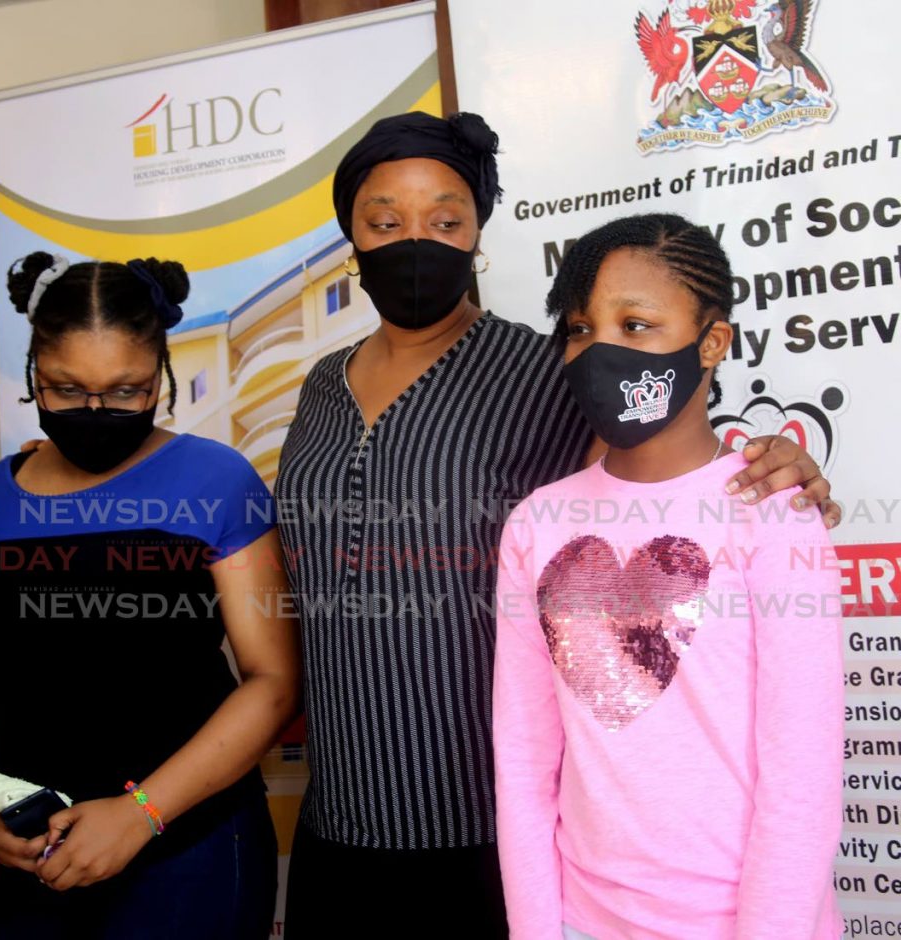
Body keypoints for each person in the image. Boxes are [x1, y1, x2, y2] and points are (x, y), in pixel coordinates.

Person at [274, 111, 838, 938]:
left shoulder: (541, 369)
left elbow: (659, 458)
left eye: (445, 219)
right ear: (350, 235)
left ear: (478, 233)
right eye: (384, 220)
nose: (414, 240)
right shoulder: (321, 384)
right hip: (344, 810)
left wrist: (783, 470)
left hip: (484, 825)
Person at [493, 213, 843, 939]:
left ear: (711, 342)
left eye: (637, 325)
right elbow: (525, 760)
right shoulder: (536, 523)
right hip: (583, 921)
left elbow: (802, 776)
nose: (602, 351)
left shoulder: (771, 509)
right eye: (583, 329)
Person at [0, 252, 300, 939]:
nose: (96, 411)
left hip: (184, 854)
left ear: (161, 375)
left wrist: (140, 814)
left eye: (126, 389)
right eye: (66, 389)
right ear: (33, 376)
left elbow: (274, 682)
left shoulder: (214, 479)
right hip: (30, 859)